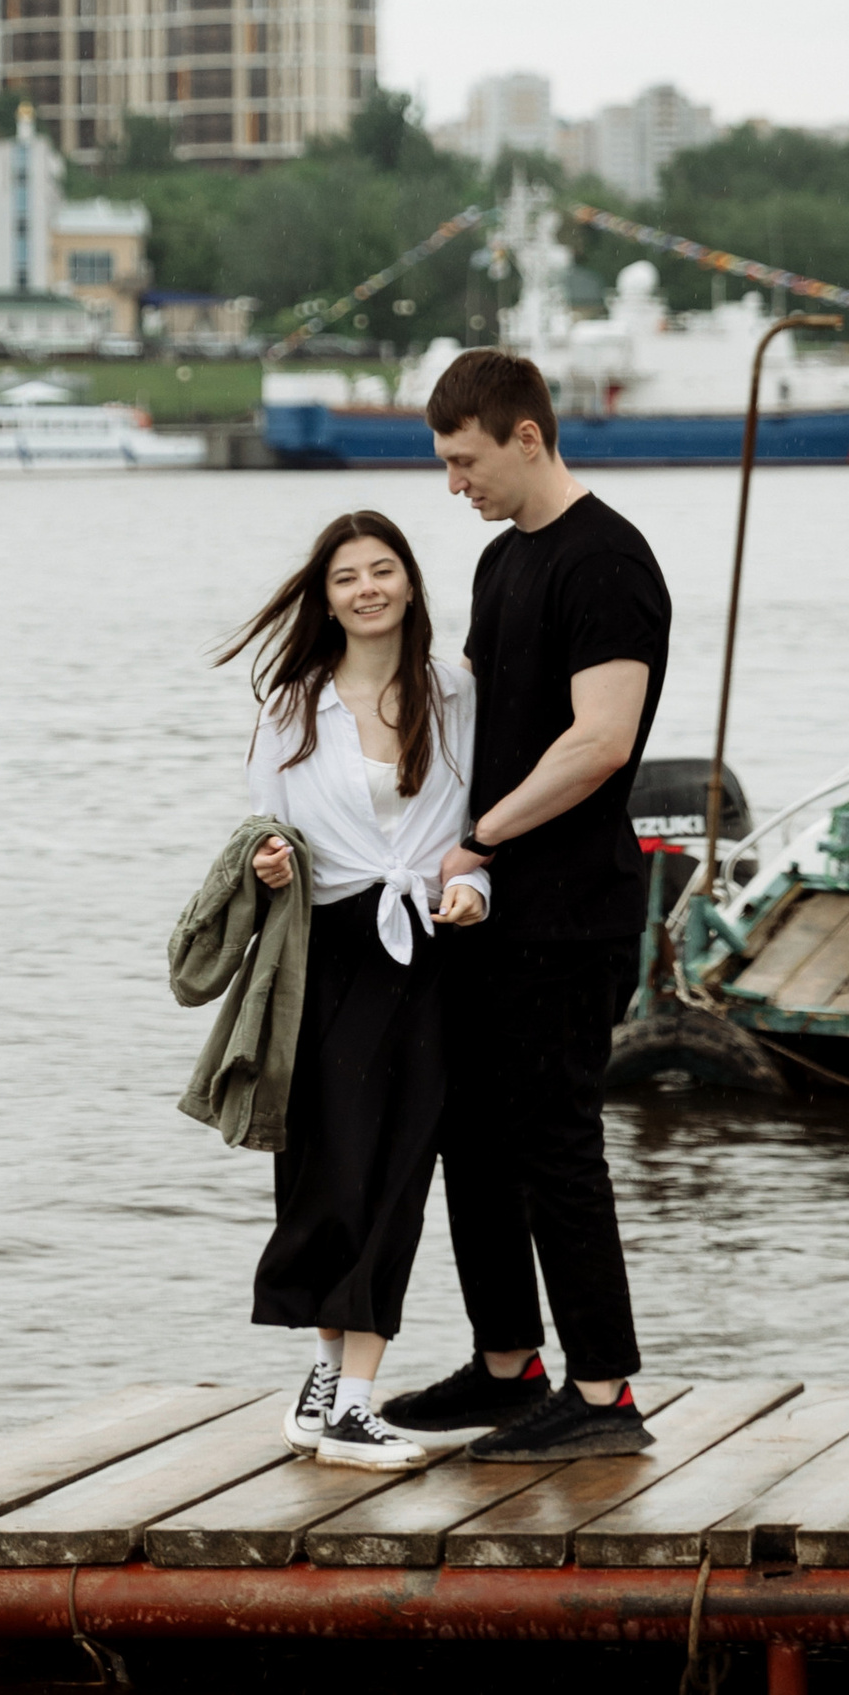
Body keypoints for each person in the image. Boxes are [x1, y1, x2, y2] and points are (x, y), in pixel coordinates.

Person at [380, 348, 671, 1462]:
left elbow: (600, 743)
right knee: (471, 1137)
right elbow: (463, 715)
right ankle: (509, 1366)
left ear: (528, 436)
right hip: (488, 903)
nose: (454, 484)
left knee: (557, 1142)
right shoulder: (504, 561)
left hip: (570, 907)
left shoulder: (607, 561)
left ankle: (604, 1396)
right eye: (445, 464)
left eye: (465, 462)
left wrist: (483, 838)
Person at [221, 509, 489, 1466]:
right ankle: (330, 1386)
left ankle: (351, 1402)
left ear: (410, 583)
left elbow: (480, 824)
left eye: (382, 570)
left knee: (398, 1170)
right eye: (346, 577)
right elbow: (265, 832)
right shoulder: (293, 707)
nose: (367, 588)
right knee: (329, 1170)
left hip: (429, 952)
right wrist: (270, 866)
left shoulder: (456, 692)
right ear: (326, 600)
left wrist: (476, 888)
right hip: (327, 956)